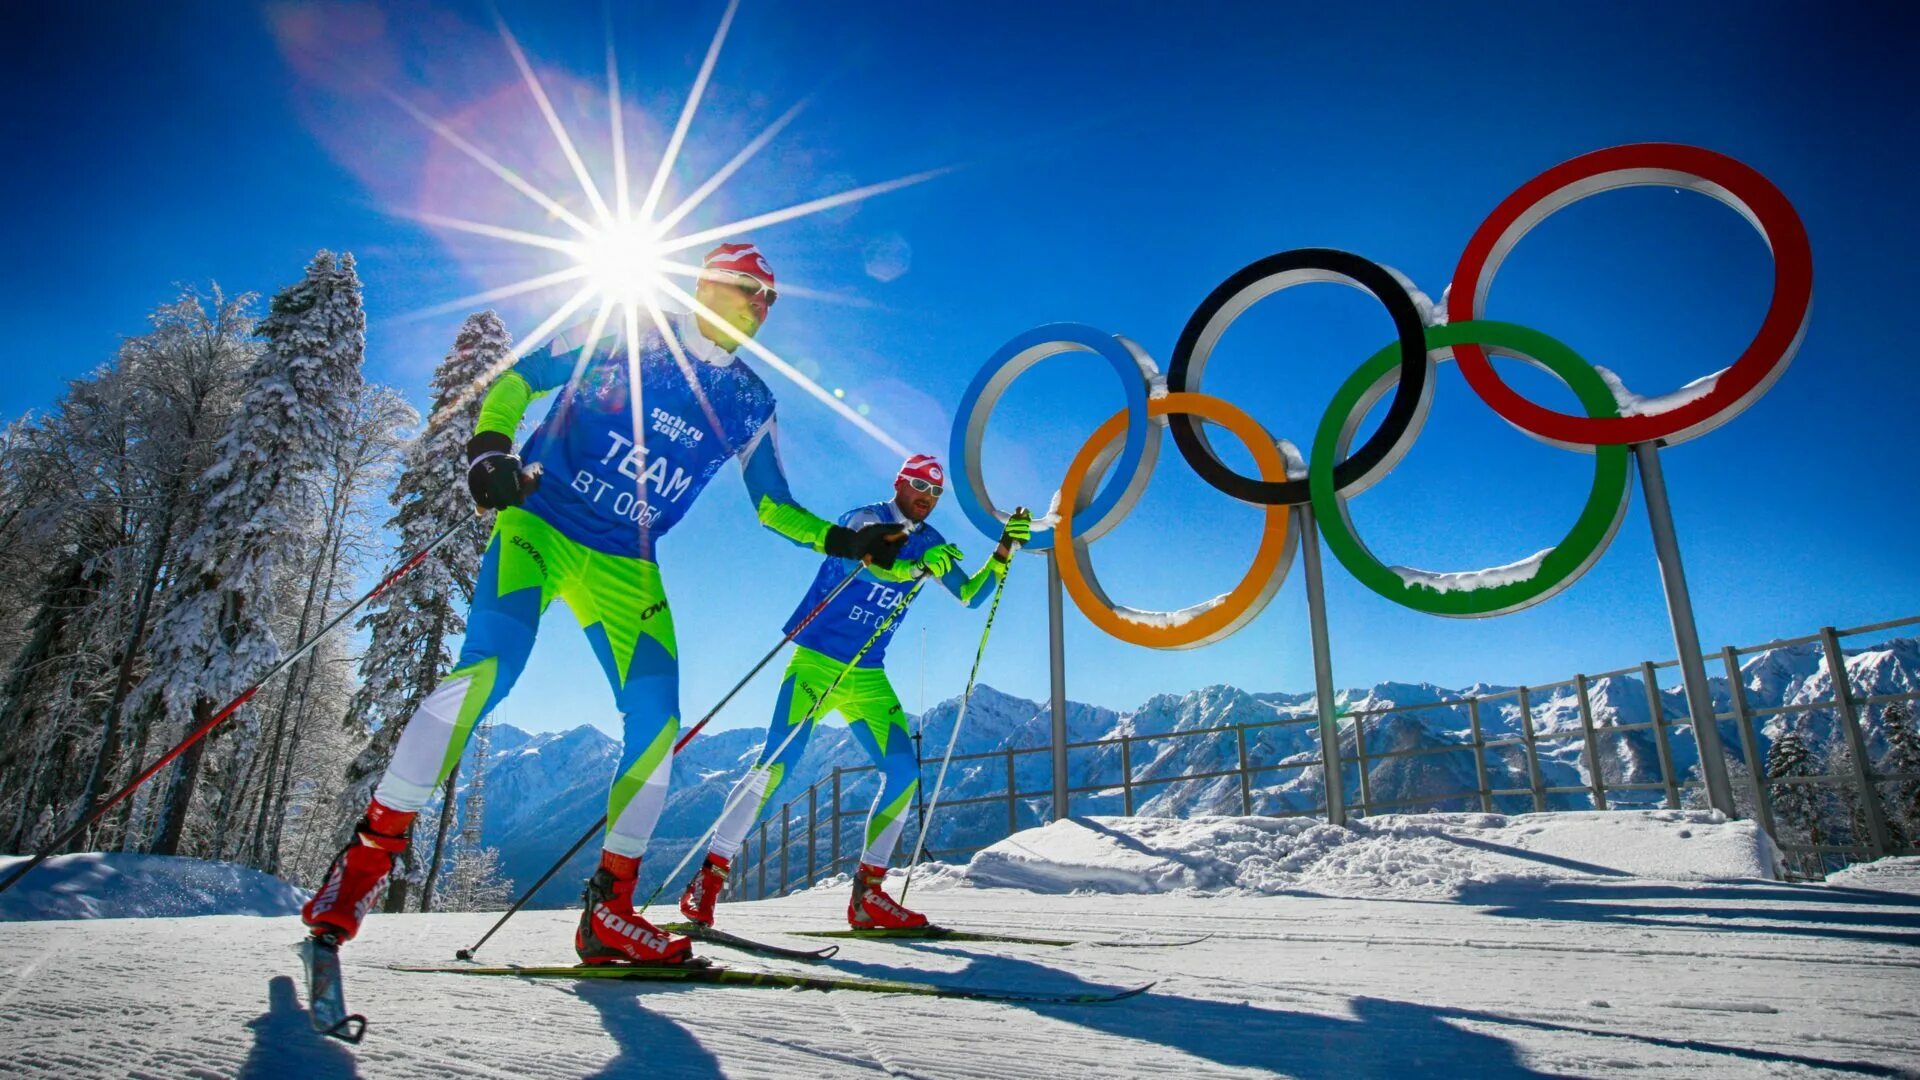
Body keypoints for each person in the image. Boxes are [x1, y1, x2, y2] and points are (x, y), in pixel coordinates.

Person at [302, 242, 909, 966]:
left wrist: (847, 540)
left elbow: (773, 505)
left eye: (769, 298)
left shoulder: (752, 402)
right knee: (490, 670)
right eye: (747, 289)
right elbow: (520, 378)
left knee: (658, 722)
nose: (760, 307)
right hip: (542, 524)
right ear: (707, 286)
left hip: (629, 564)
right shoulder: (628, 330)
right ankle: (361, 868)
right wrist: (490, 448)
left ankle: (610, 914)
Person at [678, 458, 1030, 931]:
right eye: (919, 485)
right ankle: (708, 880)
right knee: (776, 765)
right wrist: (913, 569)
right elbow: (864, 569)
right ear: (900, 484)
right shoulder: (865, 520)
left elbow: (970, 595)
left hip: (866, 672)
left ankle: (868, 896)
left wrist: (1004, 549)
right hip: (816, 662)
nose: (927, 495)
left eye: (936, 491)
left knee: (903, 771)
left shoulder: (932, 543)